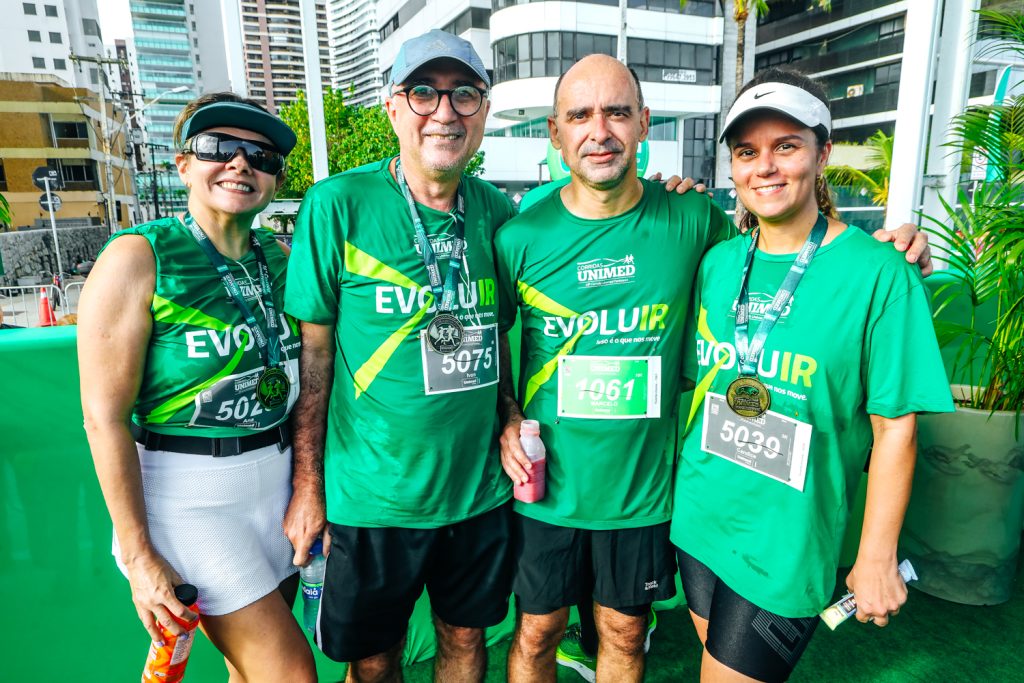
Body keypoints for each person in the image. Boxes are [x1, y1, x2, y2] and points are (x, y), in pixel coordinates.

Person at [495, 56, 934, 683]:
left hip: (661, 498)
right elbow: (489, 343)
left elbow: (898, 425)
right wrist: (509, 416)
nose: (600, 130)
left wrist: (901, 248)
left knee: (625, 631)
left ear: (644, 123)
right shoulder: (532, 235)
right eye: (580, 115)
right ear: (554, 132)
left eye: (617, 111)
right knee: (537, 632)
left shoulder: (698, 225)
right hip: (664, 508)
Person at [670, 67, 955, 682]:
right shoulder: (718, 261)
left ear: (822, 152)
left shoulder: (881, 272)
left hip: (789, 540)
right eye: (747, 153)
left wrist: (876, 553)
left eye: (786, 147)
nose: (765, 167)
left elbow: (896, 430)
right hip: (700, 515)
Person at [283, 30, 516, 683]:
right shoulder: (338, 205)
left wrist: (509, 417)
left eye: (464, 95)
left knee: (467, 640)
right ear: (393, 108)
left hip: (477, 493)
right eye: (423, 93)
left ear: (484, 111)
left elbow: (497, 339)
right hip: (372, 496)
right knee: (375, 658)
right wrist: (309, 486)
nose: (444, 112)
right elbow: (316, 359)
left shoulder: (499, 214)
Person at [78, 93, 315, 683]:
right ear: (183, 163)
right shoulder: (138, 256)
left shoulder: (281, 259)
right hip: (190, 499)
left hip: (274, 486)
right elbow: (103, 417)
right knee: (289, 674)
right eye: (217, 148)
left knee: (246, 672)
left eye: (260, 156)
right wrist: (138, 556)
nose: (241, 164)